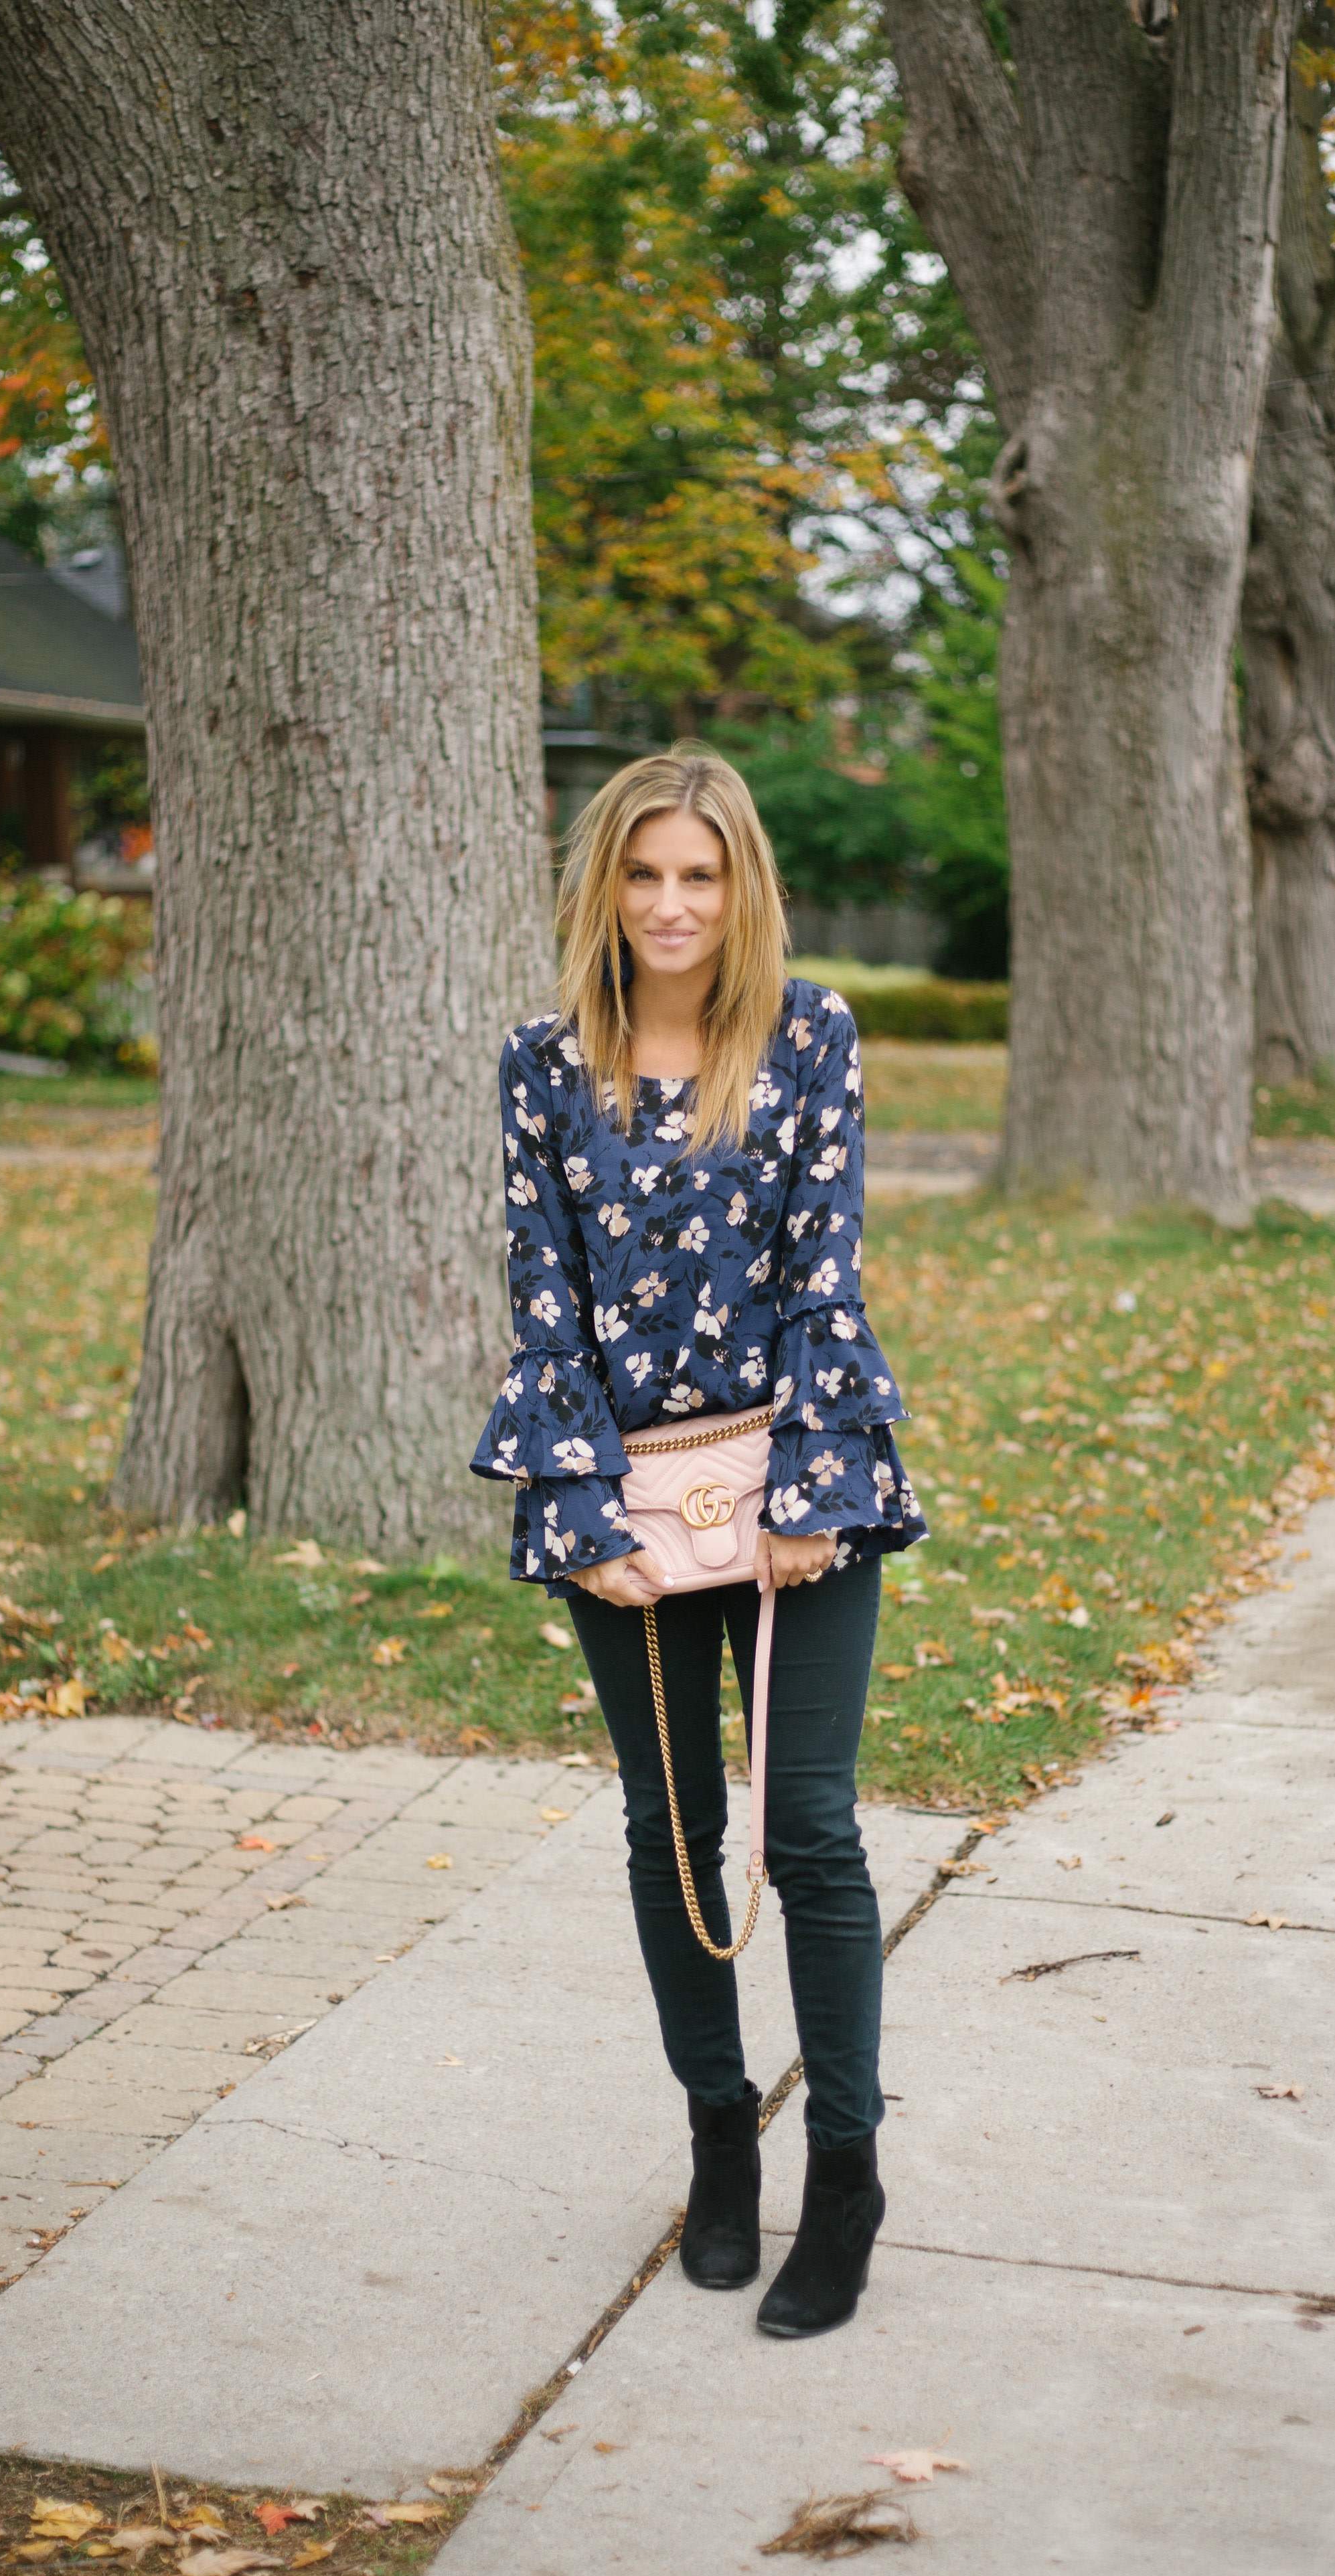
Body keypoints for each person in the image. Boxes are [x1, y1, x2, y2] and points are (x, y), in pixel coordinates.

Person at [471, 744, 925, 2338]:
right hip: (629, 1506)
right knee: (668, 1831)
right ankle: (720, 2139)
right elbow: (545, 1298)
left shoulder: (808, 1037)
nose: (671, 906)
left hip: (795, 1484)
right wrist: (581, 1510)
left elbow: (823, 1266)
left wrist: (809, 1490)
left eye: (700, 876)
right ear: (605, 886)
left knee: (808, 1831)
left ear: (742, 891)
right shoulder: (545, 1065)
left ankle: (846, 2175)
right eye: (645, 874)